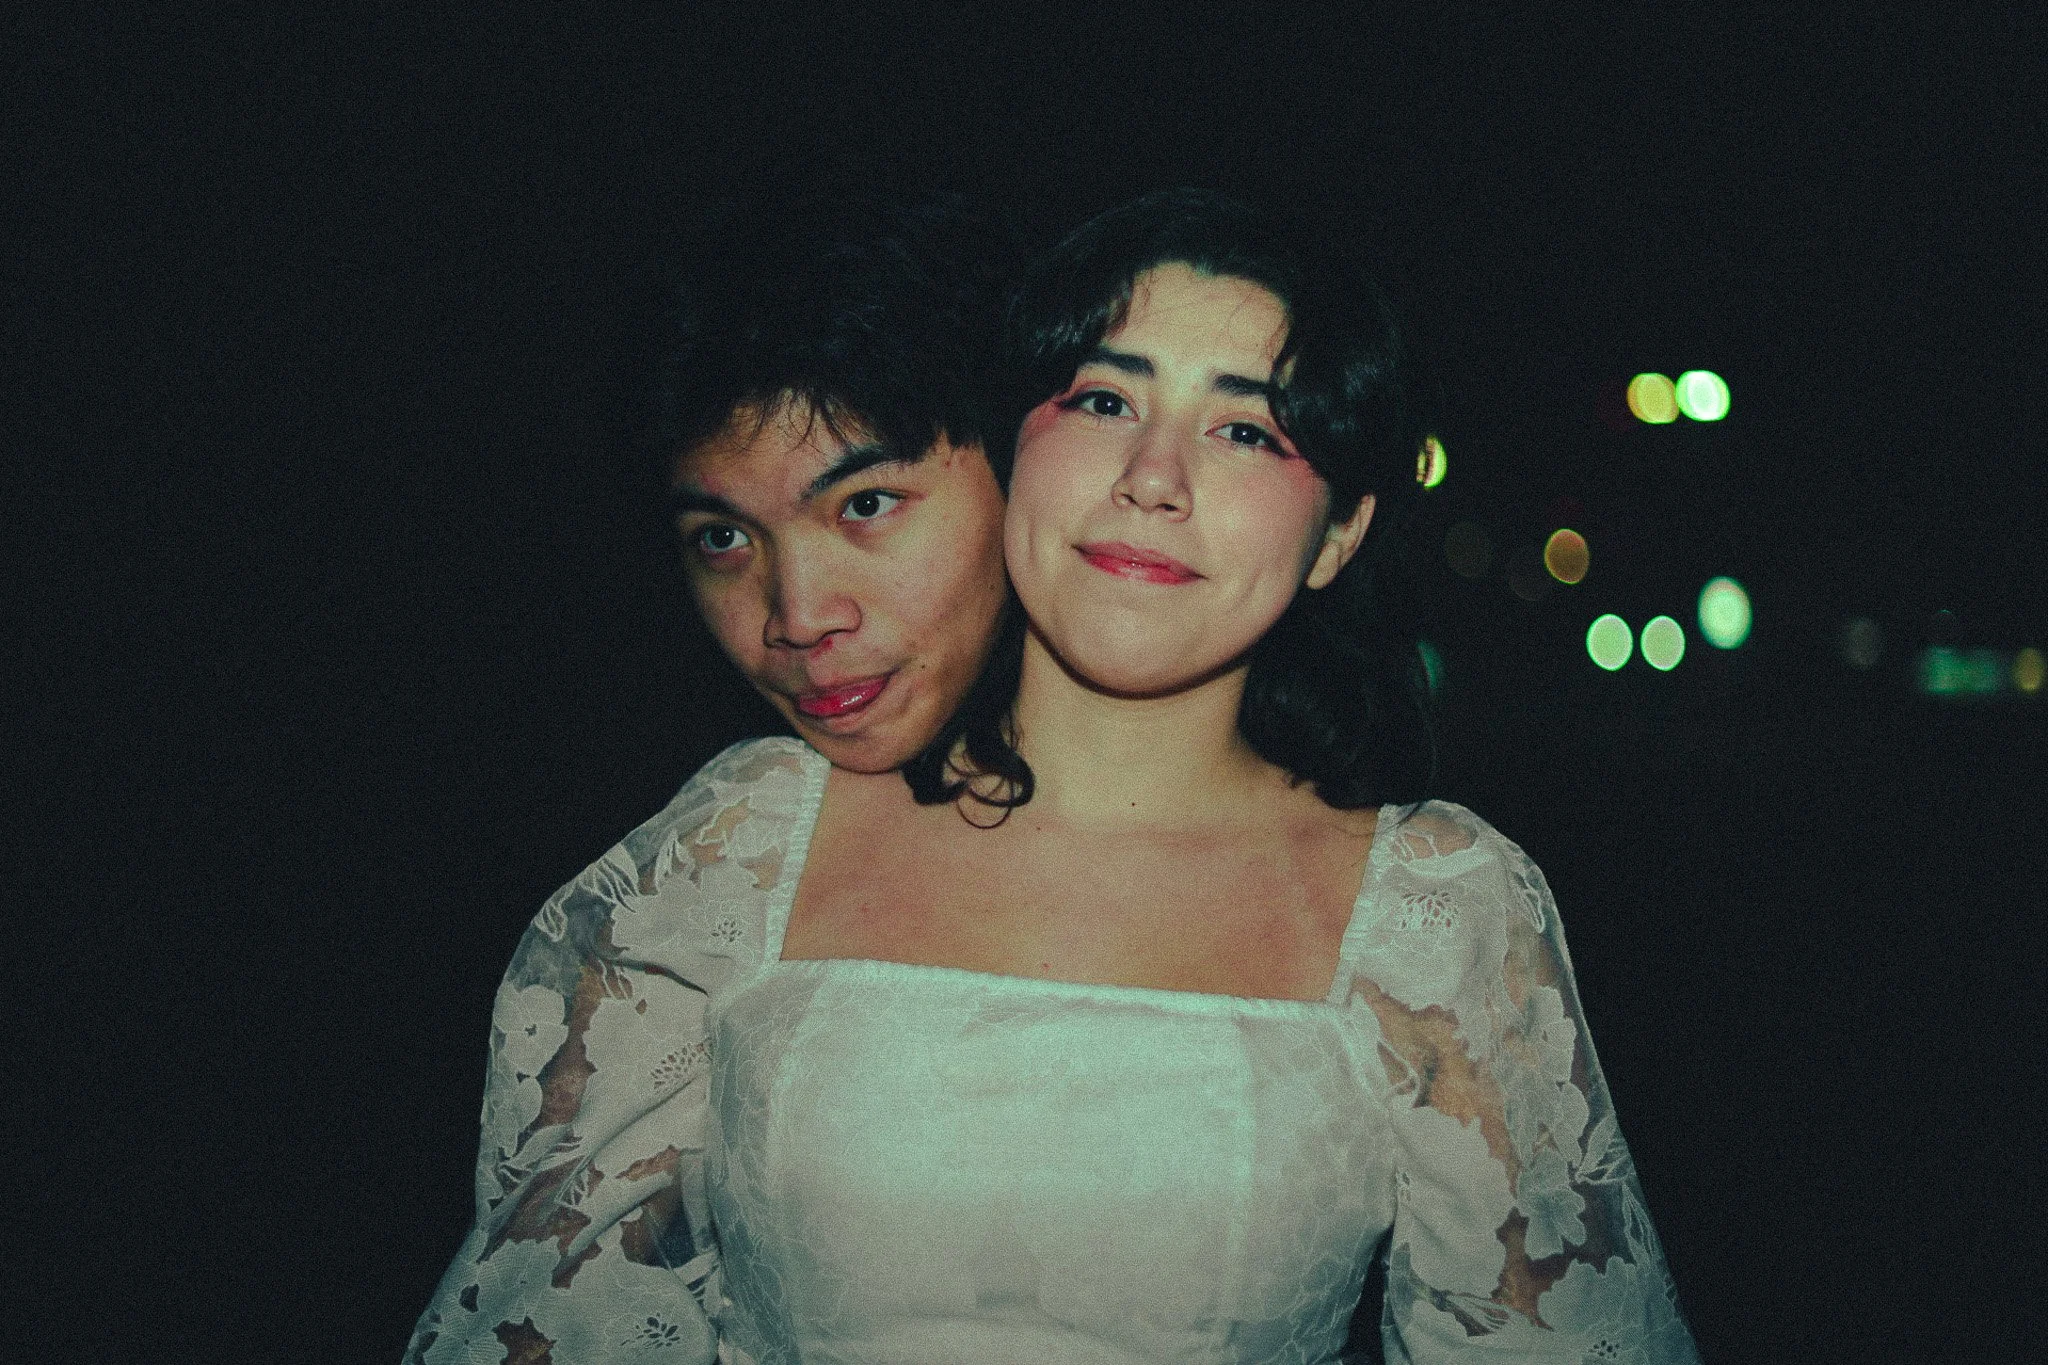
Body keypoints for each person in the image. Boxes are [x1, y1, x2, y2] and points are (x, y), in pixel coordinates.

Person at [414, 188, 1702, 1364]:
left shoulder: (1436, 914)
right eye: (1101, 402)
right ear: (1011, 446)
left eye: (1244, 430)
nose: (1152, 479)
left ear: (1339, 533)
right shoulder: (739, 851)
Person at [403, 187, 1011, 1362]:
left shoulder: (1346, 873)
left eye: (866, 504)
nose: (796, 615)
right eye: (722, 540)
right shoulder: (724, 861)